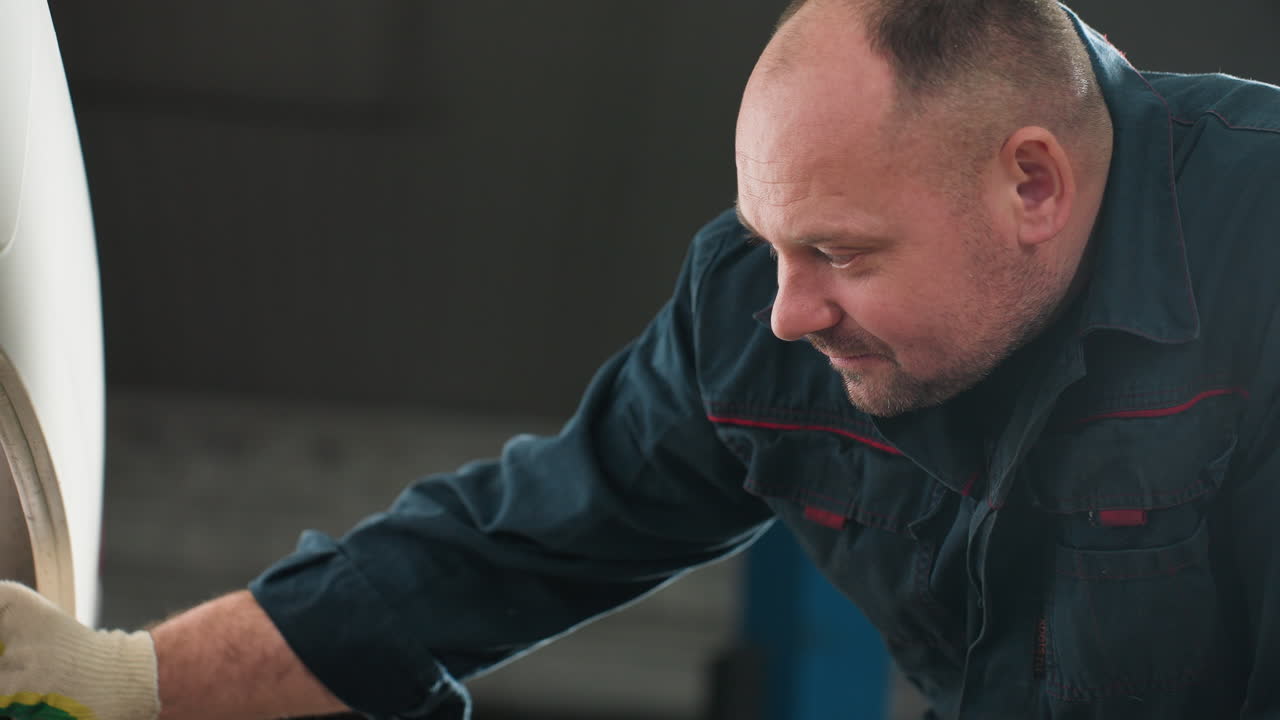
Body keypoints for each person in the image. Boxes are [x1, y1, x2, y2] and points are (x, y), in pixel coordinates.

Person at [4, 0, 1280, 717]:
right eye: (771, 241)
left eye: (837, 251)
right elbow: (498, 549)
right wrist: (134, 682)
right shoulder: (760, 311)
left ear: (1031, 184)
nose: (786, 312)